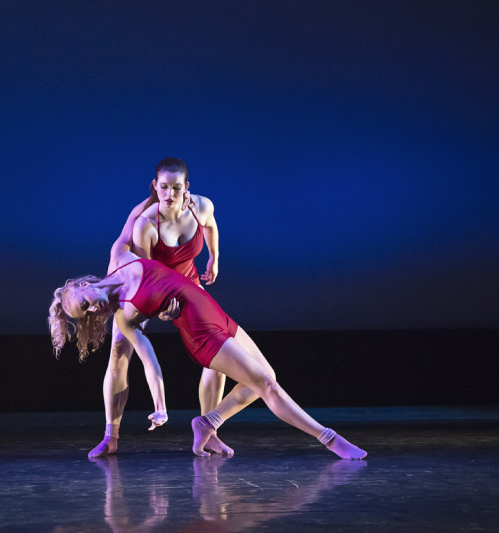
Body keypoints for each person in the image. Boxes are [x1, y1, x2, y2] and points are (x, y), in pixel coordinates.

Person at [48, 250, 367, 460]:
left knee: (267, 379)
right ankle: (329, 439)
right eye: (86, 314)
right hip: (203, 336)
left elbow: (146, 216)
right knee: (267, 387)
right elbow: (149, 360)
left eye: (85, 303)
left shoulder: (124, 256)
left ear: (81, 284)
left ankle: (208, 422)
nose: (93, 309)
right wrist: (160, 407)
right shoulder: (124, 316)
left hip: (217, 315)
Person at [94, 158, 229, 458]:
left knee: (218, 349)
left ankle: (210, 430)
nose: (170, 193)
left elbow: (211, 225)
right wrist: (158, 308)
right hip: (141, 282)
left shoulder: (199, 206)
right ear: (155, 186)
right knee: (119, 350)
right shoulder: (143, 219)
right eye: (164, 187)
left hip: (186, 280)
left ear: (186, 188)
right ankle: (110, 436)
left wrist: (213, 258)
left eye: (177, 188)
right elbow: (147, 274)